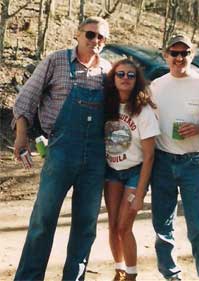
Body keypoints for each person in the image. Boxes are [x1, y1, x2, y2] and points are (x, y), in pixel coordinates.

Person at [12, 17, 111, 280]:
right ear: (77, 35)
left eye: (101, 37)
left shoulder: (109, 71)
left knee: (86, 224)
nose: (95, 41)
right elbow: (26, 99)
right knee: (43, 220)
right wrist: (22, 136)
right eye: (90, 35)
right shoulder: (56, 61)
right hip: (61, 151)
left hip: (96, 157)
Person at [149, 34, 199, 280]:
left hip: (193, 163)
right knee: (162, 226)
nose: (179, 58)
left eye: (184, 53)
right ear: (166, 55)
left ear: (192, 54)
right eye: (174, 53)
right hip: (162, 161)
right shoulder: (156, 86)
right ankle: (171, 274)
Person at [103, 59, 160, 281]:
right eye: (120, 74)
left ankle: (132, 274)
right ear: (113, 78)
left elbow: (149, 156)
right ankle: (118, 268)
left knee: (124, 227)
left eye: (130, 75)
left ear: (137, 80)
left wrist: (140, 193)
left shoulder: (143, 111)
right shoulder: (106, 105)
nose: (125, 78)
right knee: (112, 225)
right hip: (111, 171)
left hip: (135, 171)